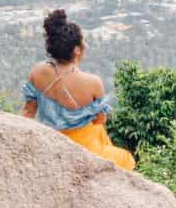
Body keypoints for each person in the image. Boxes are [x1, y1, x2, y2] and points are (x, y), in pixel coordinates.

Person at [21, 9, 135, 171]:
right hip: (84, 148)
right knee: (126, 159)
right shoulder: (93, 82)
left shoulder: (37, 72)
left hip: (52, 142)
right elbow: (100, 120)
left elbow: (28, 113)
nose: (85, 45)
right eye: (83, 42)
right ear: (77, 50)